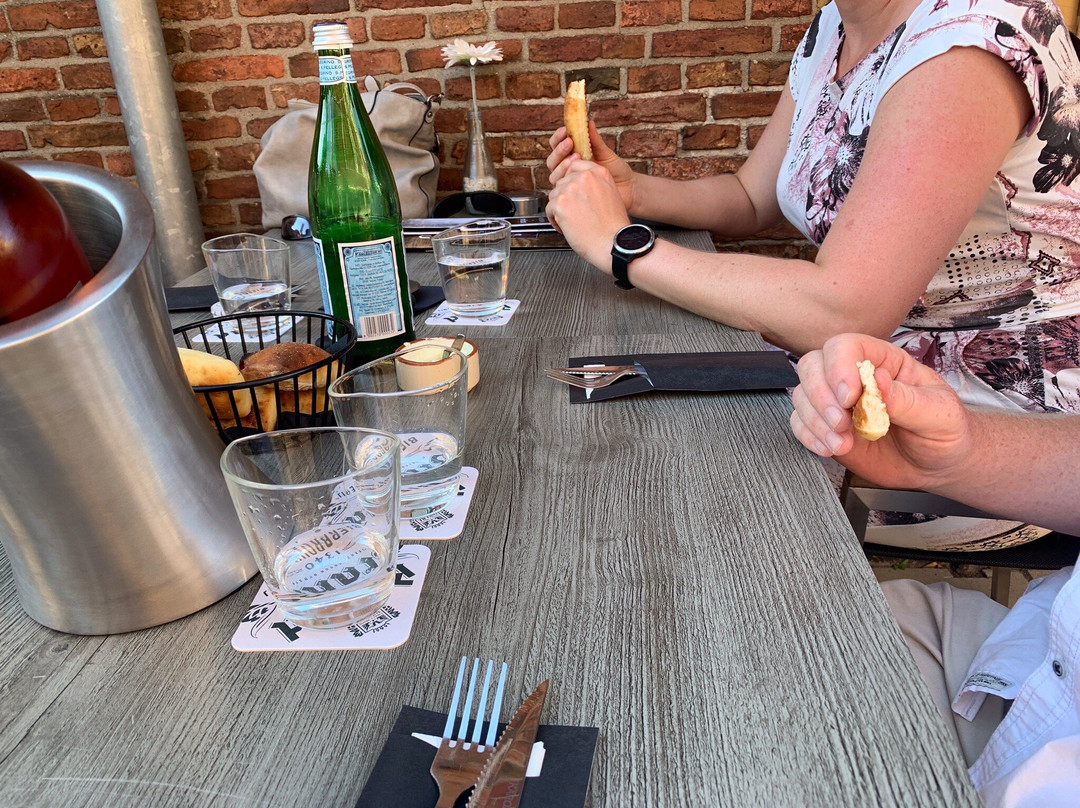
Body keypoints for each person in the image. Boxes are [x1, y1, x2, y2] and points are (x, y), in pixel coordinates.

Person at [547, 0, 1080, 550]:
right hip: (845, 371)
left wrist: (623, 248)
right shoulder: (835, 26)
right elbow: (749, 197)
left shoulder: (970, 43)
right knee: (618, 440)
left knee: (658, 497)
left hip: (993, 431)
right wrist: (632, 191)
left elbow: (843, 310)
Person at [789, 332, 1079, 806]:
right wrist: (961, 453)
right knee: (781, 626)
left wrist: (645, 269)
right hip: (1031, 650)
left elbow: (840, 313)